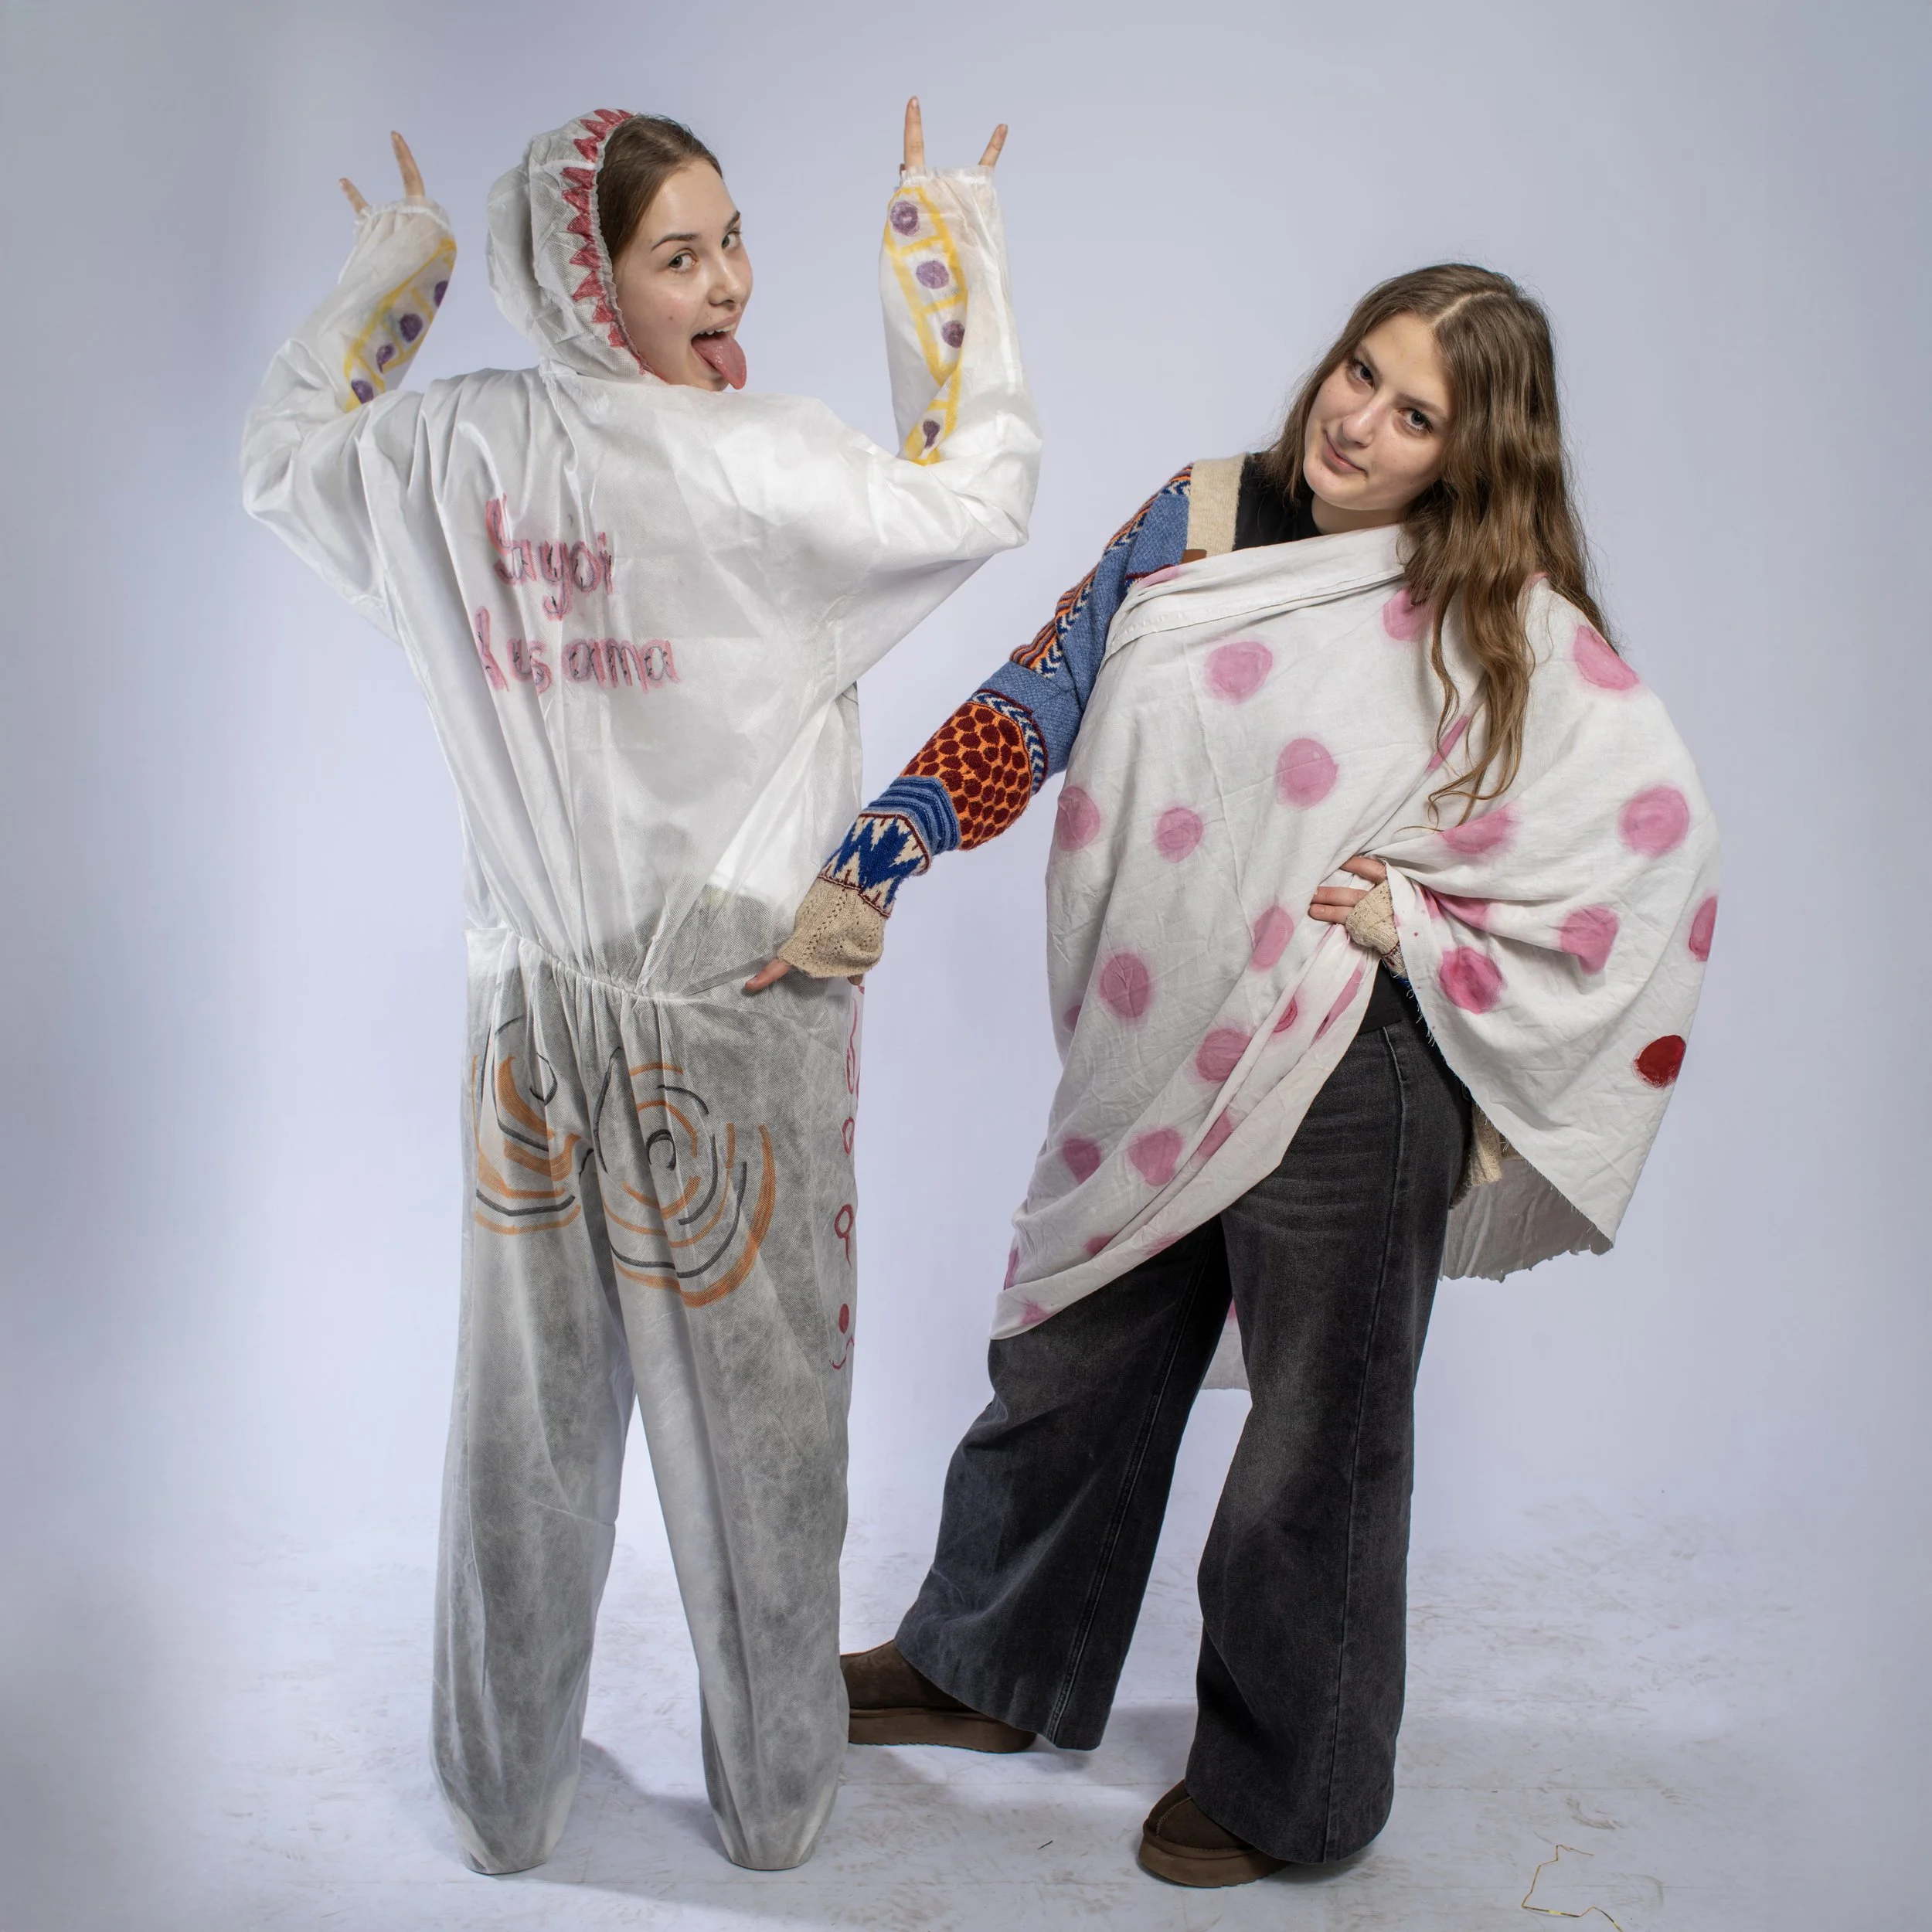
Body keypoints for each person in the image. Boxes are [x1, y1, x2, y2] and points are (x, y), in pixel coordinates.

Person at [757, 264, 1717, 1886]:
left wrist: (1419, 921)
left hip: (1356, 1060)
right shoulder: (1200, 513)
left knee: (1315, 1438)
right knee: (1070, 1354)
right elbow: (1046, 687)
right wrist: (886, 846)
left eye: (1416, 415)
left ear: (1470, 455)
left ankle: (1294, 1789)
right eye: (1360, 371)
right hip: (1158, 1038)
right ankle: (985, 1662)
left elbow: (1648, 833)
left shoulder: (1494, 607)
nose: (1360, 419)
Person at [241, 101, 1038, 1876]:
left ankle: (500, 1799)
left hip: (532, 1020)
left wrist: (395, 274)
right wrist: (945, 243)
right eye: (678, 256)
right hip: (729, 1020)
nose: (729, 281)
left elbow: (285, 456)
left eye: (730, 240)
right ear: (588, 287)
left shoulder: (451, 457)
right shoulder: (764, 468)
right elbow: (978, 488)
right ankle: (775, 1800)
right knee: (759, 1440)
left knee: (524, 1428)